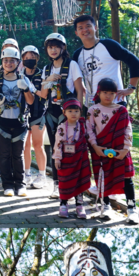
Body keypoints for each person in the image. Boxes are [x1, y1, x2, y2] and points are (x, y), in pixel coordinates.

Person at [0, 47, 36, 196]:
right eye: (6, 60)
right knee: (5, 154)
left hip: (19, 123)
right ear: (2, 62)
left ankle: (20, 184)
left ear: (18, 62)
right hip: (2, 122)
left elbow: (31, 101)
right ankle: (7, 185)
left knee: (18, 155)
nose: (9, 63)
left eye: (12, 60)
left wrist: (26, 89)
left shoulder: (23, 79)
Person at [87, 78, 139, 224]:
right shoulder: (93, 110)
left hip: (120, 150)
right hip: (101, 151)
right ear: (99, 92)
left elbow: (128, 130)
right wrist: (95, 147)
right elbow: (89, 130)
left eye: (111, 93)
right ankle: (106, 206)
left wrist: (125, 149)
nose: (108, 96)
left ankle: (132, 209)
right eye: (105, 92)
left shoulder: (121, 110)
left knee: (127, 178)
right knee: (103, 178)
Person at [38, 32, 82, 199]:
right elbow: (43, 94)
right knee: (56, 149)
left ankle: (73, 185)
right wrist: (48, 79)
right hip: (52, 113)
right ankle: (57, 186)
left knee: (70, 148)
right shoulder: (46, 69)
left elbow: (79, 90)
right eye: (50, 47)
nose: (53, 50)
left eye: (56, 46)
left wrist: (78, 115)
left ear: (63, 47)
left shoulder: (72, 65)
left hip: (69, 113)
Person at [69, 14, 139, 110]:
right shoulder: (77, 54)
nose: (85, 30)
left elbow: (134, 62)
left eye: (88, 26)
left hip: (115, 102)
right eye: (80, 28)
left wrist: (131, 88)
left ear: (95, 28)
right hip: (91, 105)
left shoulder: (109, 45)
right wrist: (82, 88)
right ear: (76, 33)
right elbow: (74, 76)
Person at [51, 98, 93, 219]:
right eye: (70, 111)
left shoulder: (83, 126)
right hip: (66, 160)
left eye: (76, 111)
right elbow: (57, 144)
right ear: (64, 112)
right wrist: (57, 158)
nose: (73, 113)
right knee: (65, 181)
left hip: (80, 158)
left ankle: (79, 205)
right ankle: (63, 204)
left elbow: (89, 139)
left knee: (79, 181)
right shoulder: (61, 127)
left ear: (80, 112)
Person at [21, 45, 49, 192]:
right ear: (22, 59)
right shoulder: (19, 74)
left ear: (37, 58)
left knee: (38, 145)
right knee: (25, 145)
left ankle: (42, 175)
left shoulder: (42, 74)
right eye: (26, 57)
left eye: (32, 57)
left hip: (38, 113)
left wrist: (31, 88)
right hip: (23, 114)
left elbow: (44, 94)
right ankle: (26, 174)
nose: (29, 60)